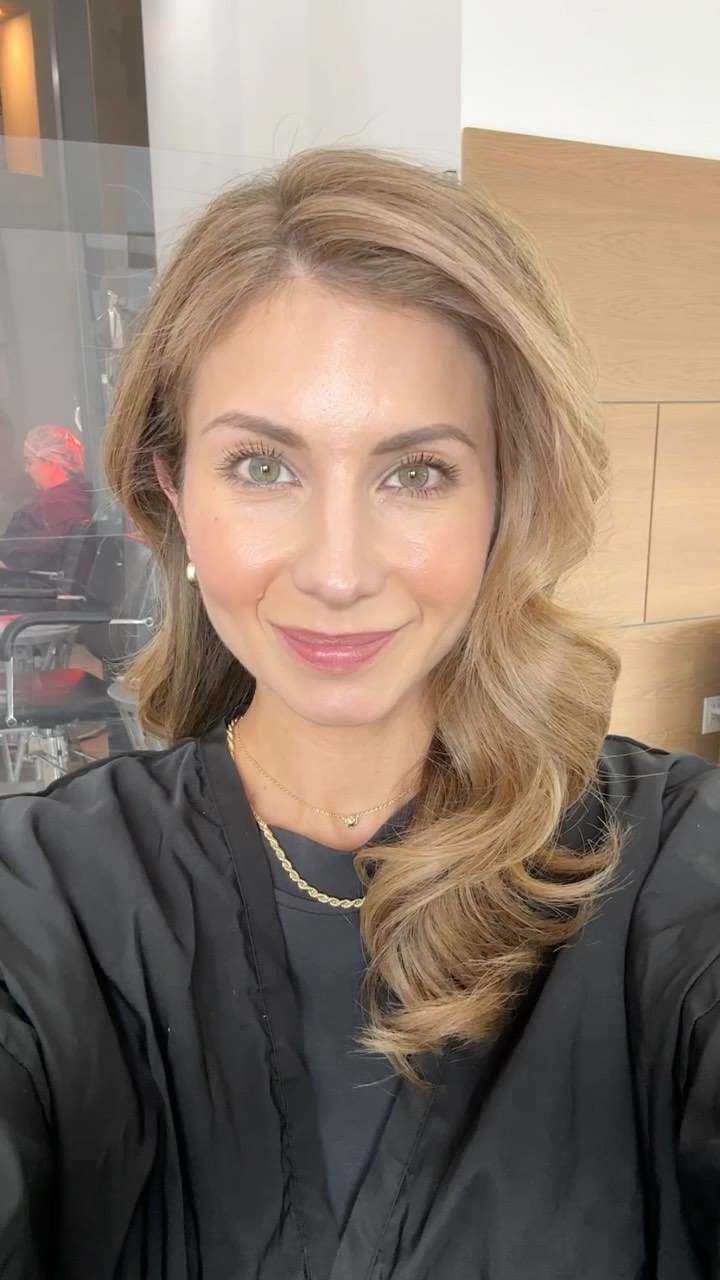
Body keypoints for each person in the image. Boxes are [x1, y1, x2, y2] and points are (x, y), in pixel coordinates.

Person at [0, 148, 718, 1279]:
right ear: (173, 493)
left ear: (506, 498)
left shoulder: (677, 872)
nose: (338, 572)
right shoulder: (41, 901)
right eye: (263, 467)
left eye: (416, 472)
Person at [0, 424, 93, 573]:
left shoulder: (50, 506)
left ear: (52, 462)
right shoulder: (81, 497)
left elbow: (16, 558)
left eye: (29, 462)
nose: (26, 469)